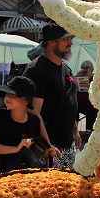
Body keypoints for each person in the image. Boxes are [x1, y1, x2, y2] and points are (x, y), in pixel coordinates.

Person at [23, 23, 80, 170]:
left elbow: (69, 102)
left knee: (68, 187)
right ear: (51, 42)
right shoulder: (36, 70)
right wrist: (47, 145)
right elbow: (34, 113)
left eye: (71, 38)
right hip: (49, 147)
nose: (71, 42)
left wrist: (75, 131)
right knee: (51, 188)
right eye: (66, 39)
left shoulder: (66, 68)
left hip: (67, 142)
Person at [0, 76, 59, 177]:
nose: (8, 97)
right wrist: (17, 148)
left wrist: (45, 153)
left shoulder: (34, 120)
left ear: (26, 101)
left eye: (13, 95)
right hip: (1, 172)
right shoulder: (1, 116)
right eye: (6, 94)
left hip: (27, 174)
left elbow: (33, 147)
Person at [75, 60, 97, 133]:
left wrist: (90, 87)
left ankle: (89, 128)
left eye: (86, 68)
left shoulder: (95, 78)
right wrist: (76, 77)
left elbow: (98, 90)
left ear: (91, 69)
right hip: (79, 101)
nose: (84, 70)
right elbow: (71, 86)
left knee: (91, 106)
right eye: (82, 68)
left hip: (90, 101)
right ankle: (74, 128)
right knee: (72, 105)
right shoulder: (79, 77)